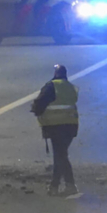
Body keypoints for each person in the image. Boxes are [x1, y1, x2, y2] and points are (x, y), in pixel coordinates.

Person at [31, 64, 79, 196]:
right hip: (71, 125)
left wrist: (36, 110)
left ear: (55, 73)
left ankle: (67, 185)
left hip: (56, 125)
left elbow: (39, 104)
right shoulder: (71, 87)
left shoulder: (51, 86)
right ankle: (56, 185)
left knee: (60, 156)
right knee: (61, 155)